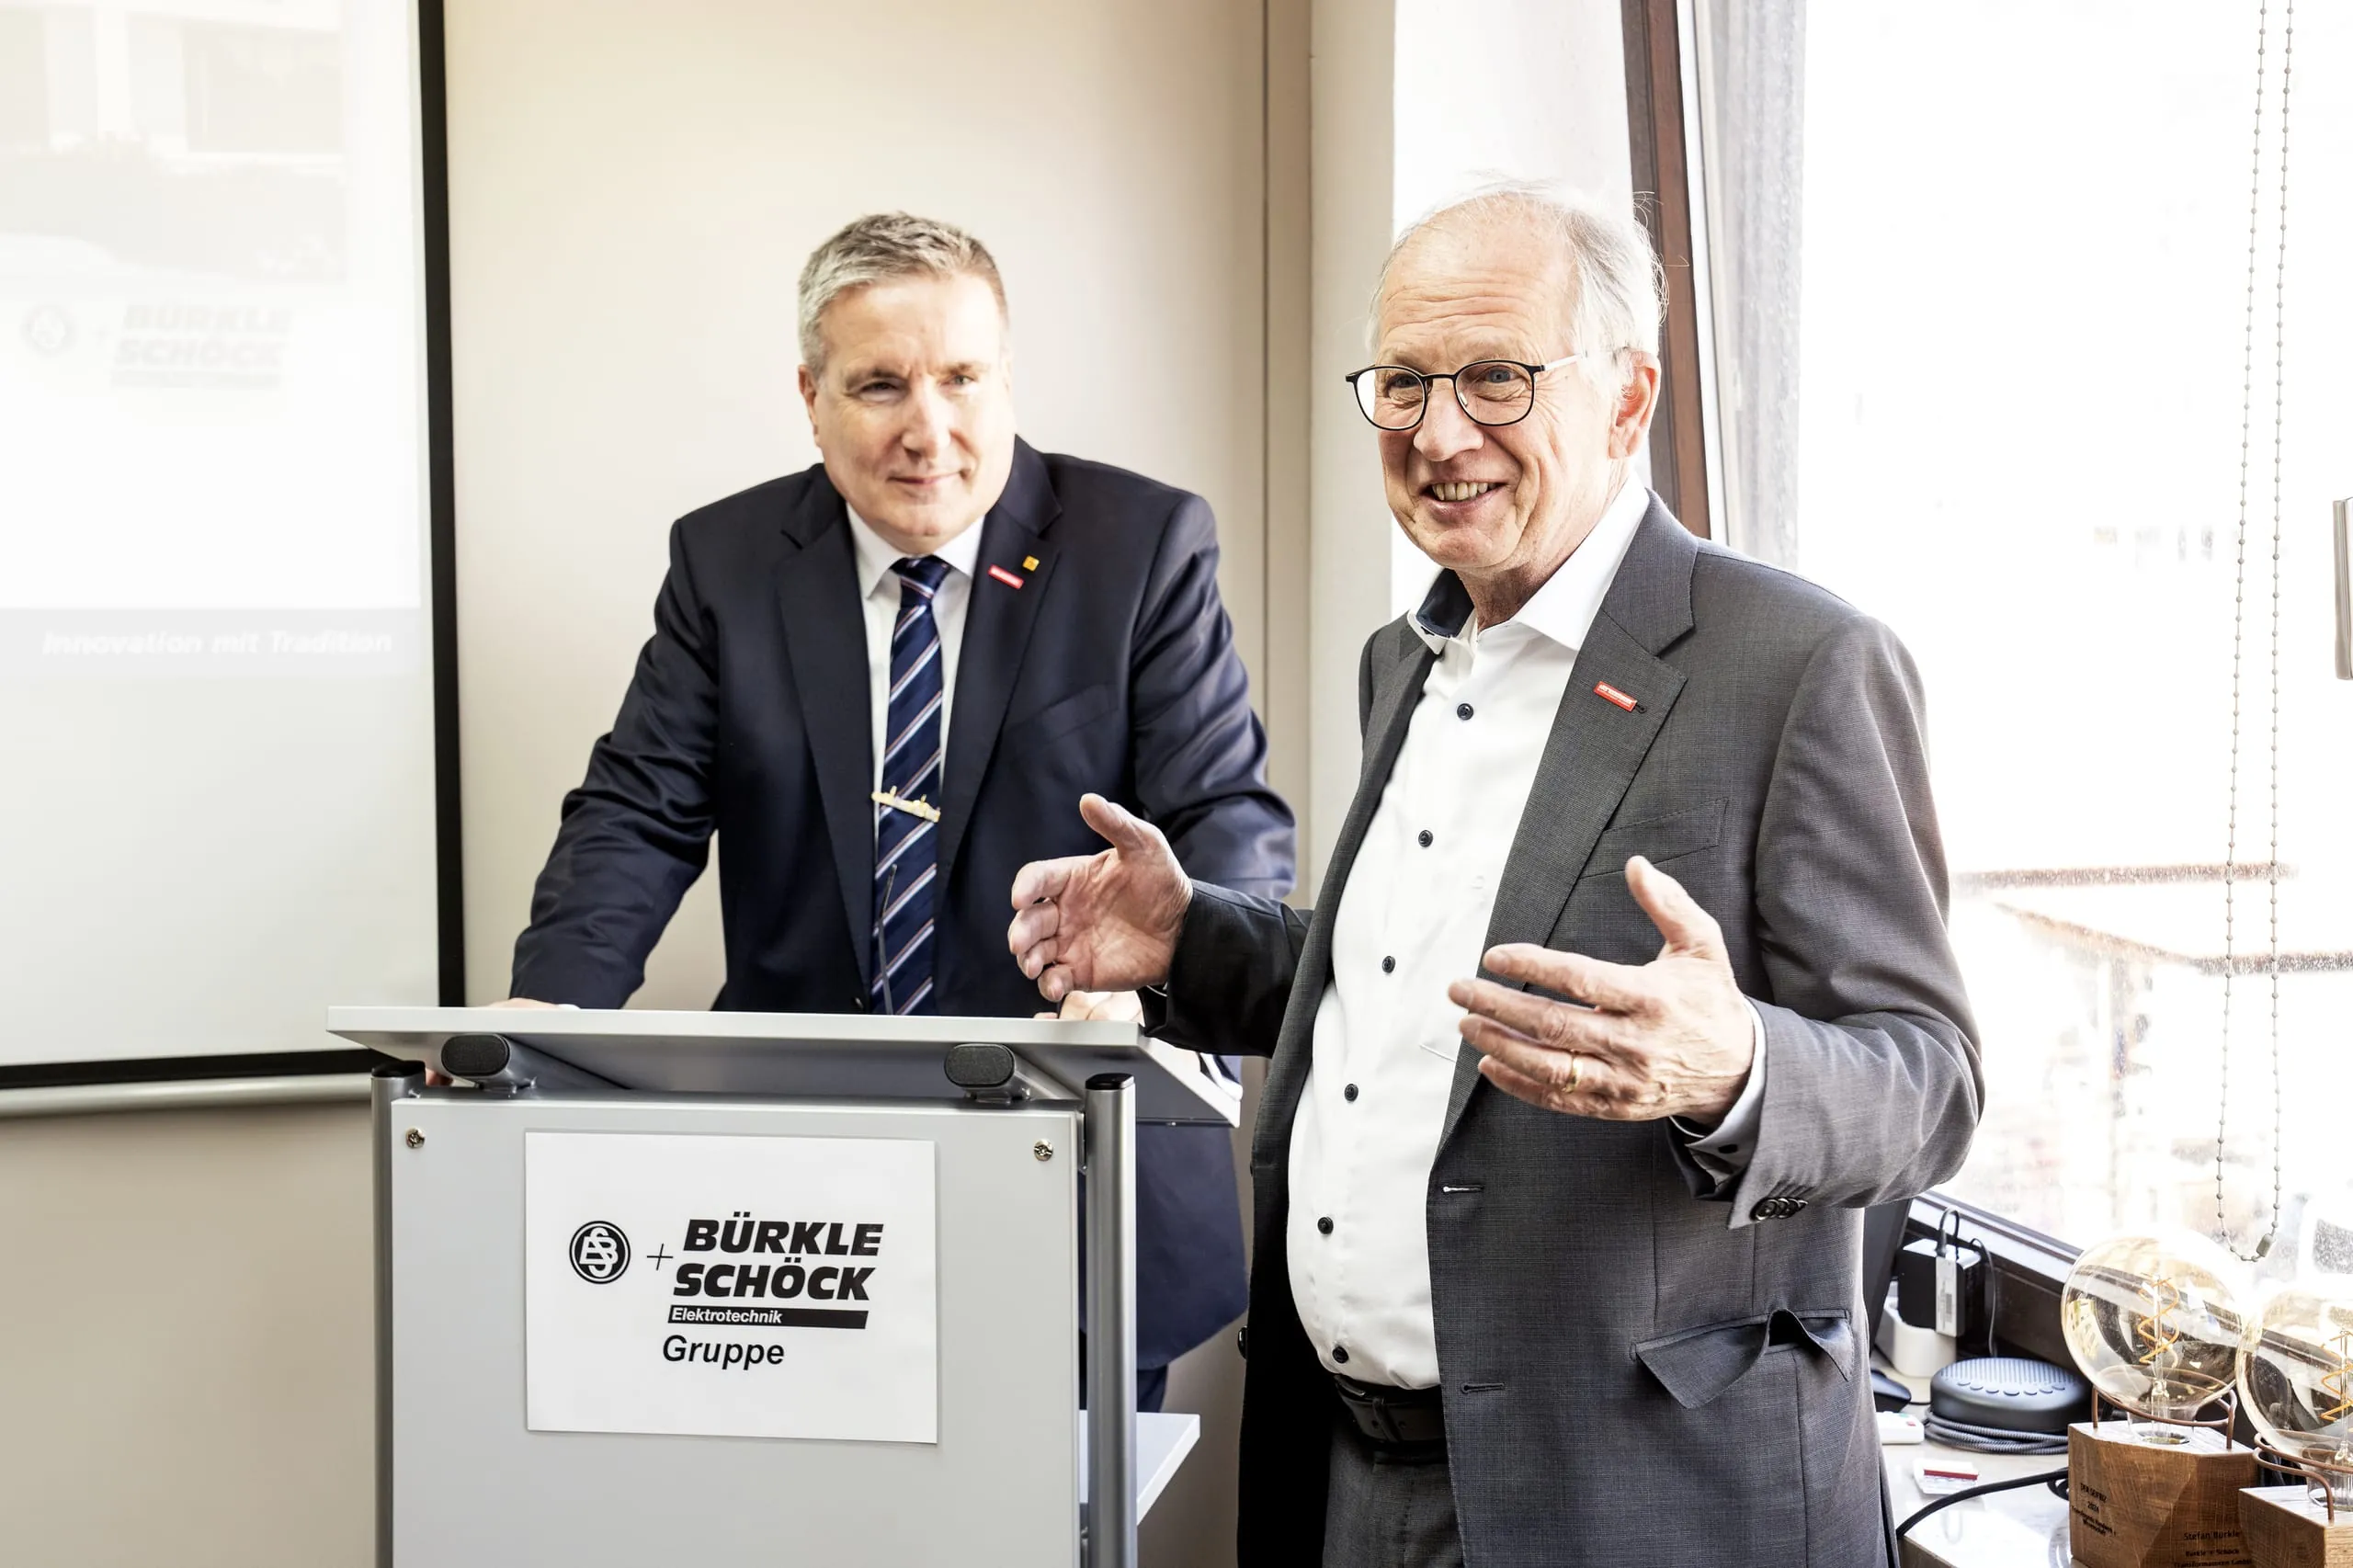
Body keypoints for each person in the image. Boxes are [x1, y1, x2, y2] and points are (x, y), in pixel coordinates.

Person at [1007, 183, 1981, 1567]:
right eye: (1404, 381)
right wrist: (1189, 944)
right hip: (1348, 1472)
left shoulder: (1801, 665)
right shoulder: (1403, 659)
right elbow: (1424, 992)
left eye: (1496, 378)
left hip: (1632, 1498)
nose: (1439, 432)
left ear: (1628, 399)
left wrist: (1734, 1068)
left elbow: (1931, 1081)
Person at [509, 211, 1293, 1411]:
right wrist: (547, 1014)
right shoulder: (729, 563)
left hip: (1081, 1162)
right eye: (881, 385)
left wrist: (1164, 984)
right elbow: (637, 810)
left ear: (1006, 378)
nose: (929, 430)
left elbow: (1225, 815)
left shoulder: (1140, 547)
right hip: (795, 1195)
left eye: (962, 378)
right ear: (811, 397)